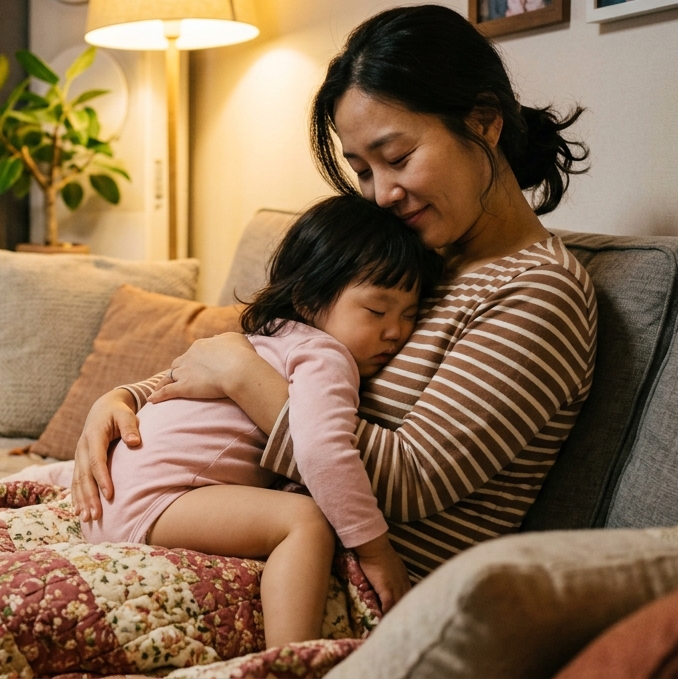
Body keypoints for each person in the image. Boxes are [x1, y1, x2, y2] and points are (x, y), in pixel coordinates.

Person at [72, 5, 599, 608]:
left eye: (397, 157)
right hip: (255, 543)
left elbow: (412, 480)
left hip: (357, 592)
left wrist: (242, 377)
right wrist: (125, 402)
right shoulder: (416, 256)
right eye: (363, 170)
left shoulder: (538, 293)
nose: (382, 193)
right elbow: (273, 348)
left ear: (483, 121)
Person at [83, 195, 441, 647]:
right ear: (308, 299)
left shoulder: (265, 339)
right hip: (155, 504)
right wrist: (375, 549)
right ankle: (290, 659)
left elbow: (169, 388)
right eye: (376, 311)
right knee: (306, 520)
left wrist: (121, 395)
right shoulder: (324, 354)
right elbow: (321, 451)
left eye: (410, 315)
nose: (396, 331)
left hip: (111, 500)